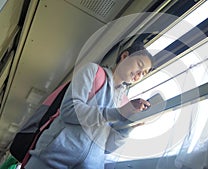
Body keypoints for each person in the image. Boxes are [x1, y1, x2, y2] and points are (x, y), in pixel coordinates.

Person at [24, 42, 154, 169]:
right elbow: (69, 111)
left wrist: (128, 127)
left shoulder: (124, 102)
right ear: (124, 56)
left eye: (144, 73)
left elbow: (107, 147)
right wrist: (117, 113)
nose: (139, 74)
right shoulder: (93, 71)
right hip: (53, 158)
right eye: (139, 65)